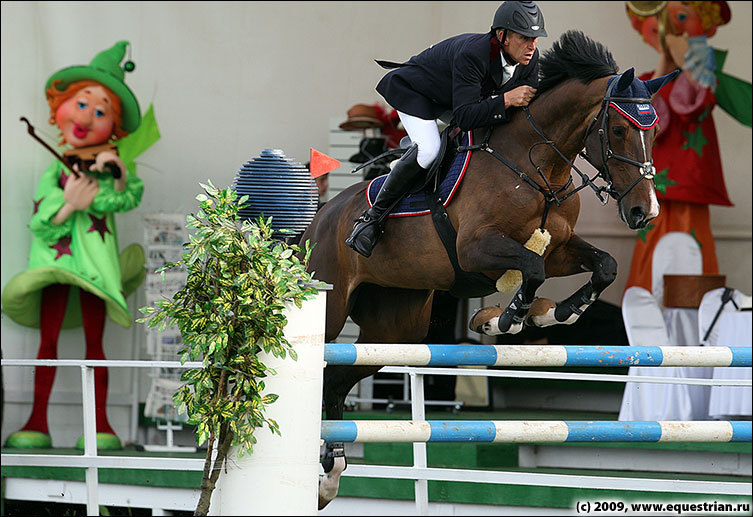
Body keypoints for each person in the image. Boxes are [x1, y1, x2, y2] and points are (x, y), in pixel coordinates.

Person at [2, 41, 156, 450]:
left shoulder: (108, 168)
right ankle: (36, 422)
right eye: (82, 104)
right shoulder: (60, 168)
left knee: (95, 343)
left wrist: (119, 175)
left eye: (101, 111)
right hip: (56, 265)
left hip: (94, 269)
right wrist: (69, 205)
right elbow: (40, 221)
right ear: (62, 108)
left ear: (114, 128)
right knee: (47, 341)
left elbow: (124, 198)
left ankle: (100, 425)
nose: (88, 116)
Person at [345, 1, 547, 258]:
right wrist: (506, 99)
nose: (531, 45)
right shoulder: (474, 53)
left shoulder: (530, 59)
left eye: (535, 38)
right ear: (502, 35)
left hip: (454, 98)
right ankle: (371, 220)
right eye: (524, 38)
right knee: (429, 151)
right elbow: (465, 116)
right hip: (416, 93)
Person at [623, 1, 750, 292]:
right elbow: (645, 119)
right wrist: (666, 64)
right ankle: (645, 320)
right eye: (662, 19)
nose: (673, 28)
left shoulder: (705, 82)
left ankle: (700, 321)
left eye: (681, 17)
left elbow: (694, 106)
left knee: (696, 251)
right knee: (650, 255)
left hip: (692, 185)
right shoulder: (643, 82)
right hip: (653, 189)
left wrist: (687, 65)